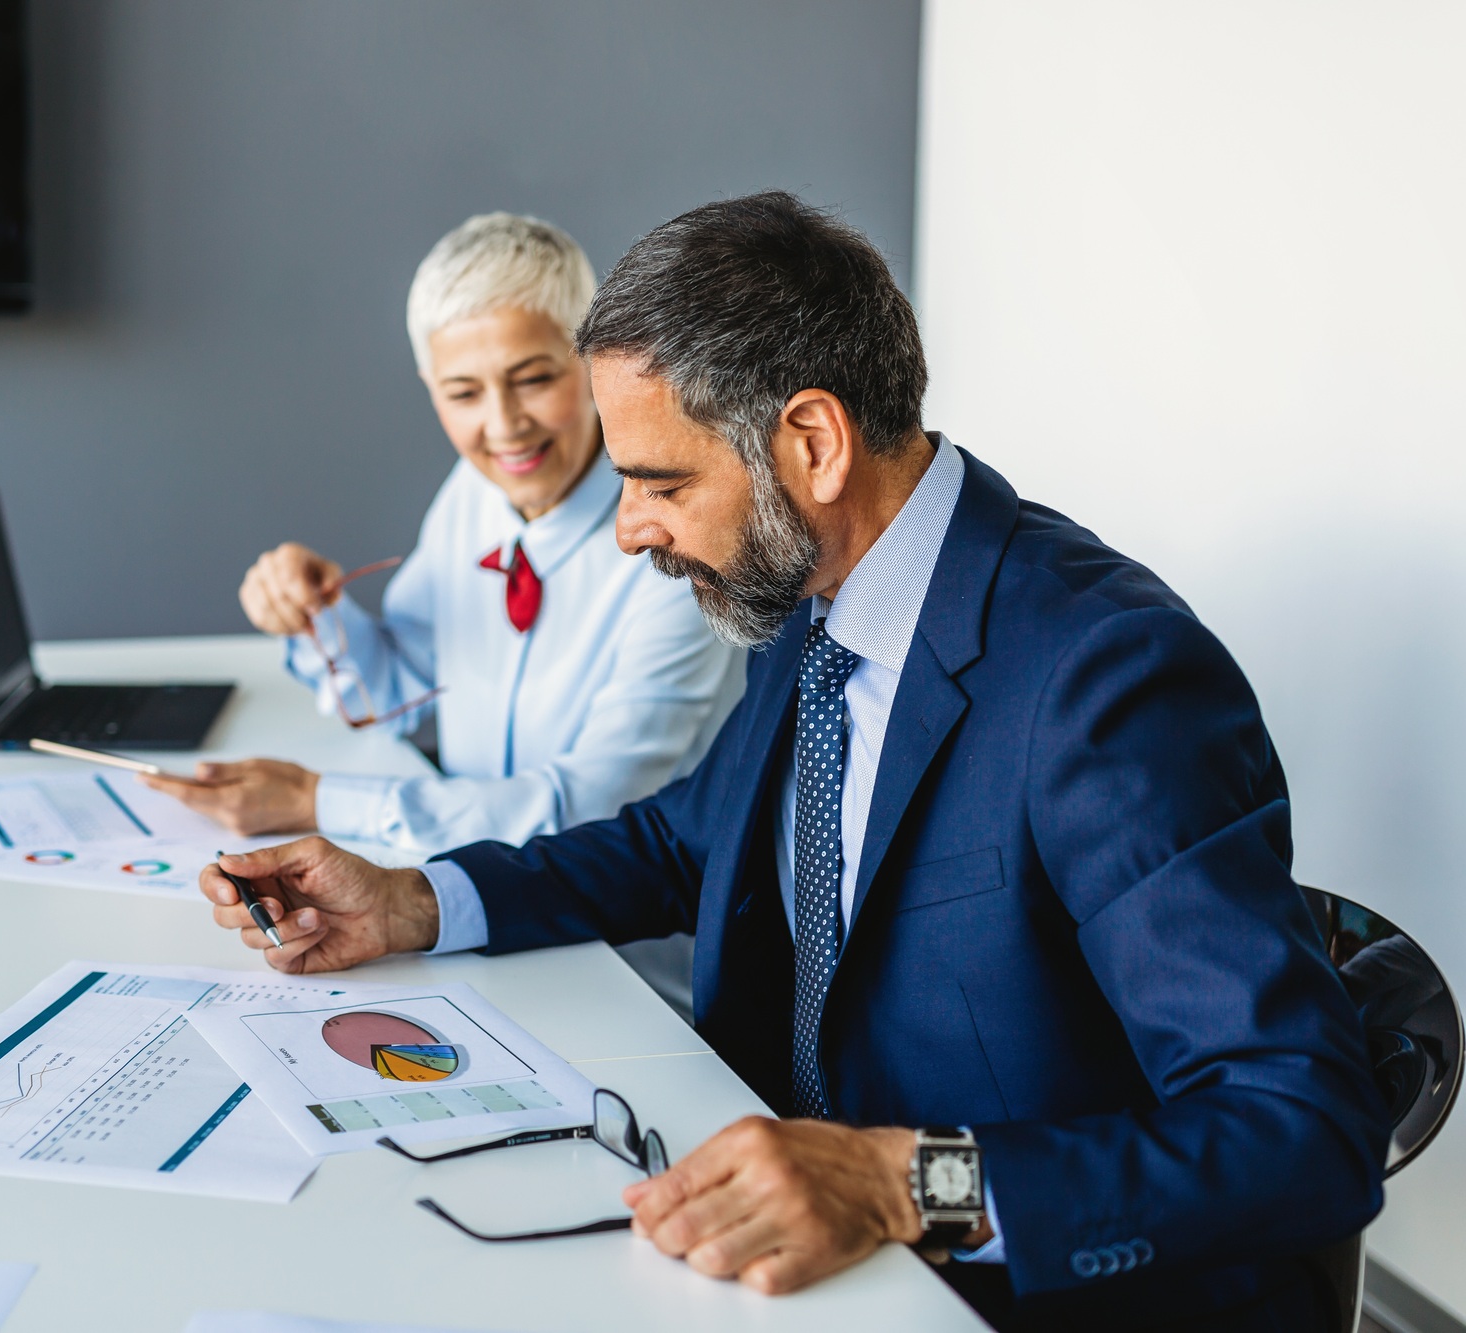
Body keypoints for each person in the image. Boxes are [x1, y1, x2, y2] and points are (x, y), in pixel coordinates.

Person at [197, 193, 1388, 1331]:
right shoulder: (810, 588)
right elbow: (684, 840)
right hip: (761, 1246)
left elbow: (1300, 1128)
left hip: (1002, 1295)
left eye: (663, 482)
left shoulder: (1105, 682)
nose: (629, 529)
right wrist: (416, 900)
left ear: (810, 442)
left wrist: (898, 1184)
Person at [143, 213, 739, 862]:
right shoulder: (473, 493)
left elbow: (587, 805)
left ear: (594, 364)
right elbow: (397, 692)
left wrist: (317, 799)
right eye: (463, 393)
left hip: (621, 932)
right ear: (431, 392)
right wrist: (316, 612)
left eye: (534, 379)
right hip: (471, 877)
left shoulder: (676, 544)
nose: (504, 425)